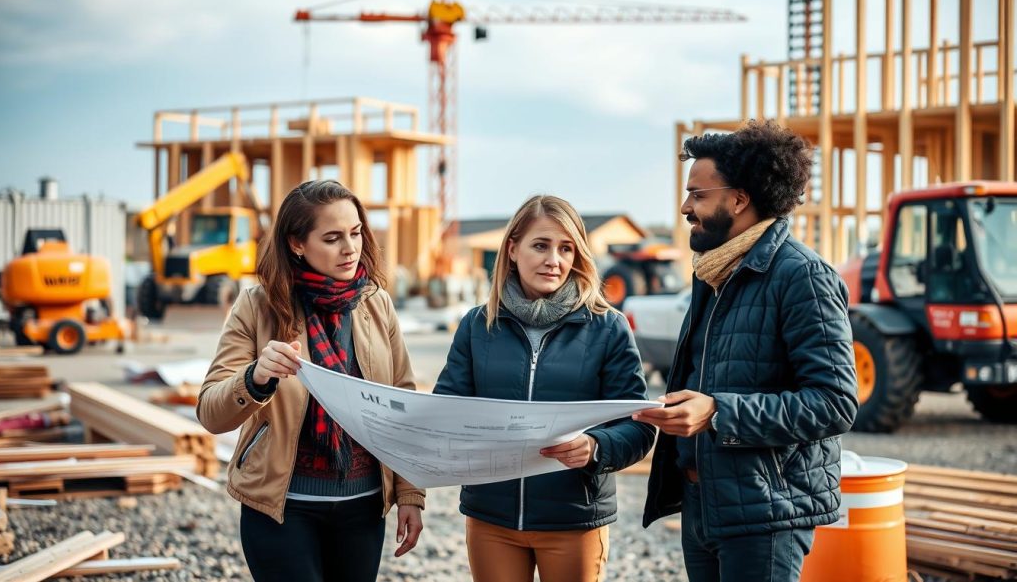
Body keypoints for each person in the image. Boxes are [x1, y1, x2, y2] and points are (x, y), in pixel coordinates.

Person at [635, 120, 858, 582]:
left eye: (698, 195)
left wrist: (718, 412)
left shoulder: (803, 277)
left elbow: (835, 403)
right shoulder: (711, 274)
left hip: (766, 512)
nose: (684, 207)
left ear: (739, 199)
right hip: (704, 504)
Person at [197, 180, 424, 582]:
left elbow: (401, 401)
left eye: (355, 233)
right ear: (297, 244)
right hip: (282, 508)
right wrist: (256, 377)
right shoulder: (257, 305)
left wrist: (409, 493)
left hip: (364, 506)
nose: (350, 248)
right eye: (333, 238)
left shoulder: (376, 302)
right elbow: (211, 413)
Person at [433, 195, 656, 582]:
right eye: (541, 245)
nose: (554, 259)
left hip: (573, 517)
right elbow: (446, 410)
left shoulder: (608, 327)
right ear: (513, 248)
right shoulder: (477, 325)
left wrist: (596, 448)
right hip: (492, 517)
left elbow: (638, 425)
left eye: (565, 248)